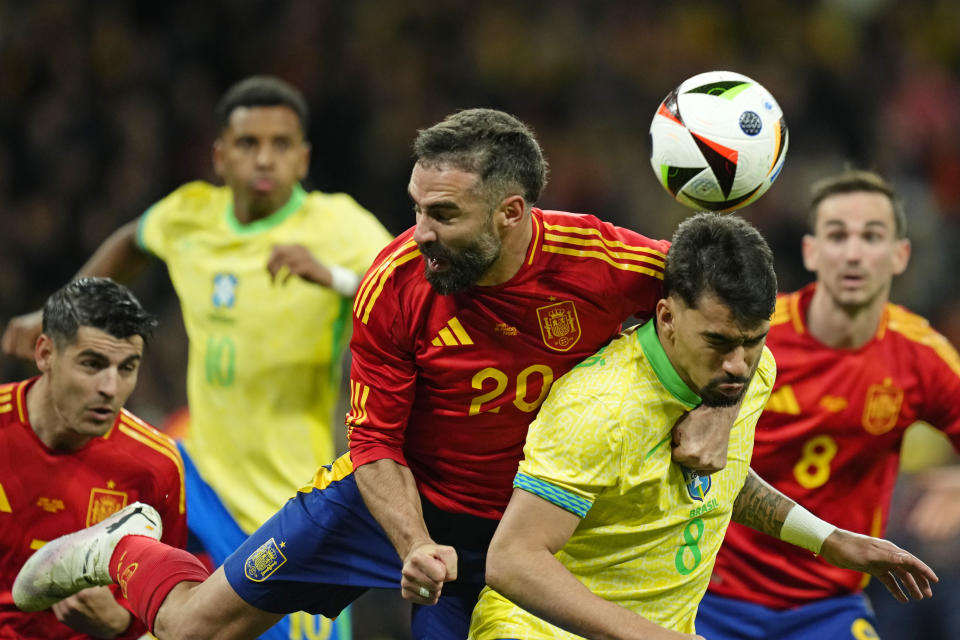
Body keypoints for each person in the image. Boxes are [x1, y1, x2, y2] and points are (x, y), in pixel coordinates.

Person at [13, 108, 741, 640]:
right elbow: (376, 445)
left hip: (515, 534)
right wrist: (412, 541)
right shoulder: (396, 284)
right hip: (383, 501)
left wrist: (717, 409)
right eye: (416, 209)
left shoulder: (609, 262)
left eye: (444, 215)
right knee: (192, 629)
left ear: (511, 213)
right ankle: (121, 547)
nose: (419, 233)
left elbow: (739, 316)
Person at [2, 76, 393, 640]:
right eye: (247, 143)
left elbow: (415, 299)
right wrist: (60, 310)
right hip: (194, 482)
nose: (264, 158)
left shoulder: (339, 224)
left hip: (286, 497)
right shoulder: (191, 215)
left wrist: (332, 276)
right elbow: (133, 240)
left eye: (281, 145)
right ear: (220, 155)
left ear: (303, 158)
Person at [466, 212, 937, 640]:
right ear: (667, 317)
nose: (738, 364)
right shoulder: (600, 408)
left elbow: (719, 484)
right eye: (718, 341)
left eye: (753, 341)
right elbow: (513, 561)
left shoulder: (754, 372)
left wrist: (829, 541)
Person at [696, 169, 960, 640]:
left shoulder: (922, 357)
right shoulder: (756, 336)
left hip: (828, 609)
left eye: (871, 236)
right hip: (709, 594)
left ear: (900, 256)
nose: (853, 252)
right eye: (837, 235)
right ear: (811, 251)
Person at [1, 277, 187, 639]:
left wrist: (121, 623)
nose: (110, 388)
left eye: (127, 368)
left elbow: (170, 602)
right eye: (92, 364)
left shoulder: (157, 465)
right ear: (44, 354)